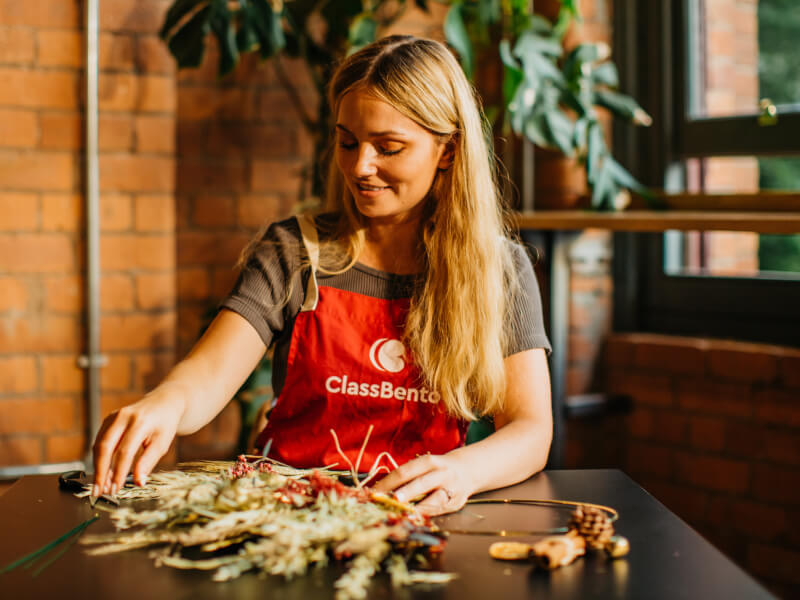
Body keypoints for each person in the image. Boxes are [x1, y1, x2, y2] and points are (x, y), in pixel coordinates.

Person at [92, 35, 553, 516]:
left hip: (420, 518)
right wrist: (165, 402)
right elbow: (207, 377)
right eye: (347, 142)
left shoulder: (498, 270)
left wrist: (464, 471)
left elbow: (530, 429)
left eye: (389, 147)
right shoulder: (294, 251)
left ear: (448, 151)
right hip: (292, 512)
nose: (361, 167)